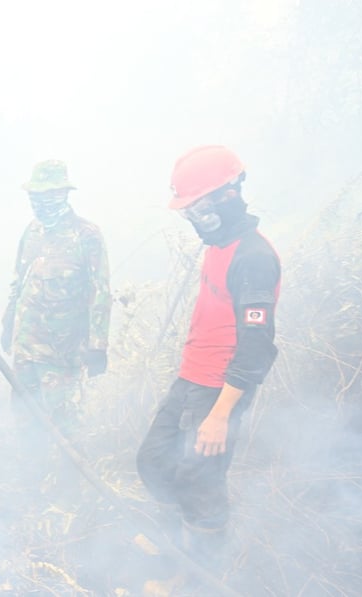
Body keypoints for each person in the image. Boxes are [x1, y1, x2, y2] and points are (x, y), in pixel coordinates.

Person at [136, 145, 281, 575]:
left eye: (195, 208)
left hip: (220, 387)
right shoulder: (220, 245)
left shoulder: (253, 257)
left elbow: (257, 347)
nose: (192, 218)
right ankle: (170, 544)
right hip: (192, 376)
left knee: (202, 482)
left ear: (226, 196)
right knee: (155, 460)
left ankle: (200, 575)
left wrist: (220, 415)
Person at [1, 160, 111, 439]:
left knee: (64, 425)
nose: (40, 203)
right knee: (26, 421)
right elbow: (19, 279)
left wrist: (98, 345)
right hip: (26, 347)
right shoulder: (32, 231)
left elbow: (100, 291)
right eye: (34, 196)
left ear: (63, 193)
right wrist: (9, 320)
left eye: (47, 195)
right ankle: (32, 475)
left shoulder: (86, 235)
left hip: (61, 352)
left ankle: (68, 480)